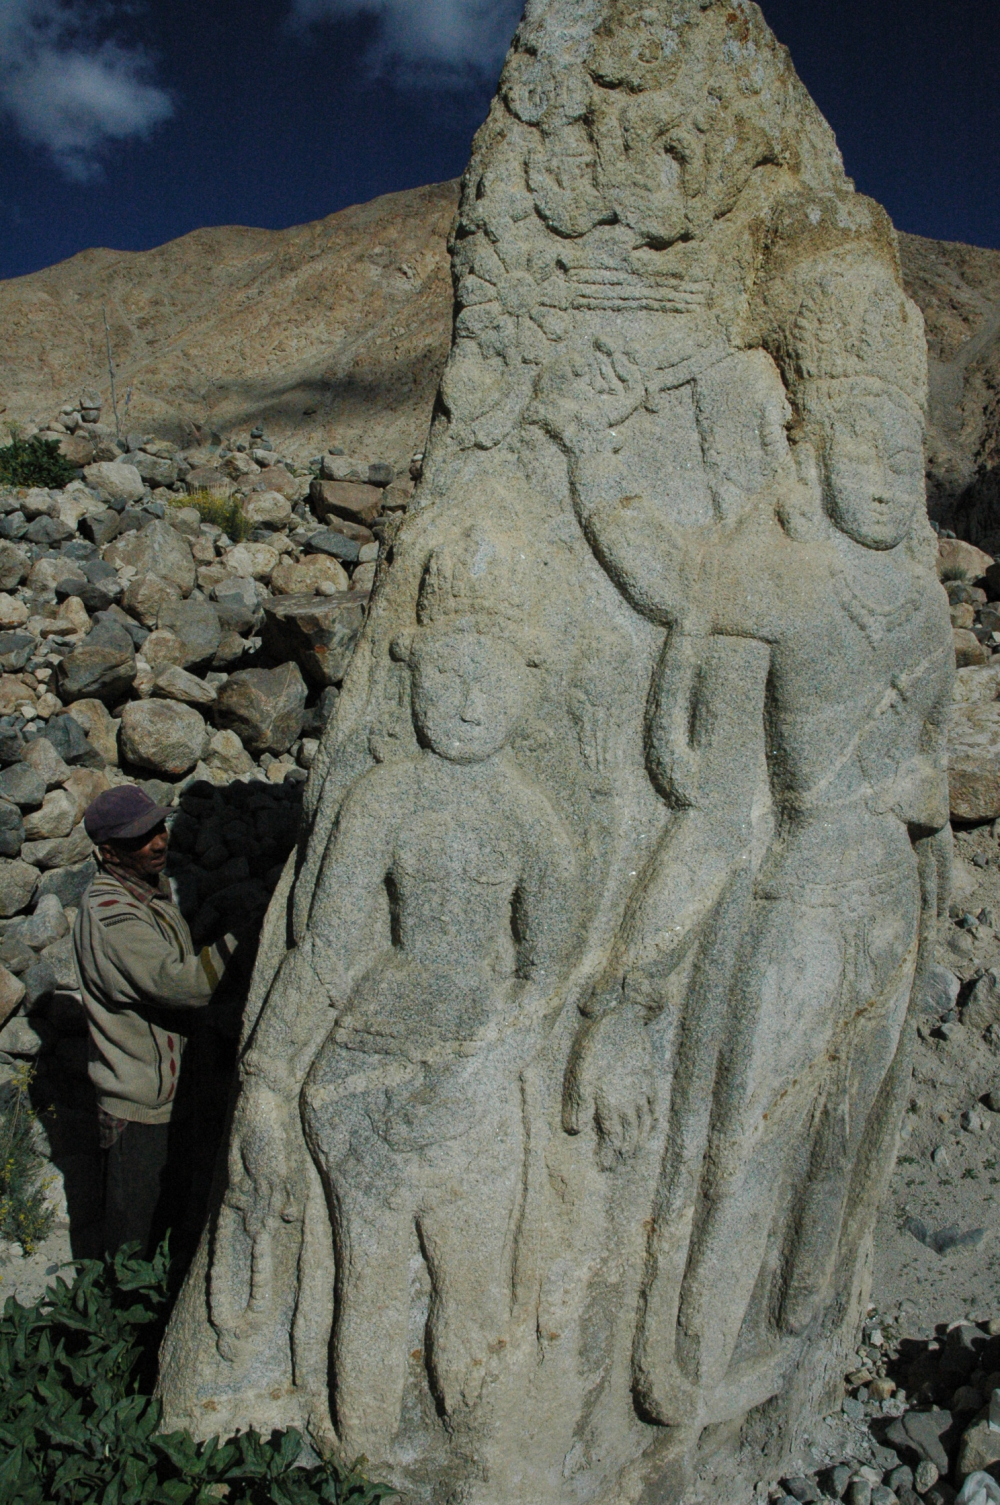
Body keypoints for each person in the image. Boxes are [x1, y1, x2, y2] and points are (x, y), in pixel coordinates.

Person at [74, 786, 237, 1259]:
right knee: (134, 1246)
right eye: (139, 838)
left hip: (171, 1097)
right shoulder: (110, 914)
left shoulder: (148, 892)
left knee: (174, 1226)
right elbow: (182, 983)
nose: (159, 841)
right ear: (108, 853)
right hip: (139, 1109)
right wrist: (246, 940)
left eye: (158, 828)